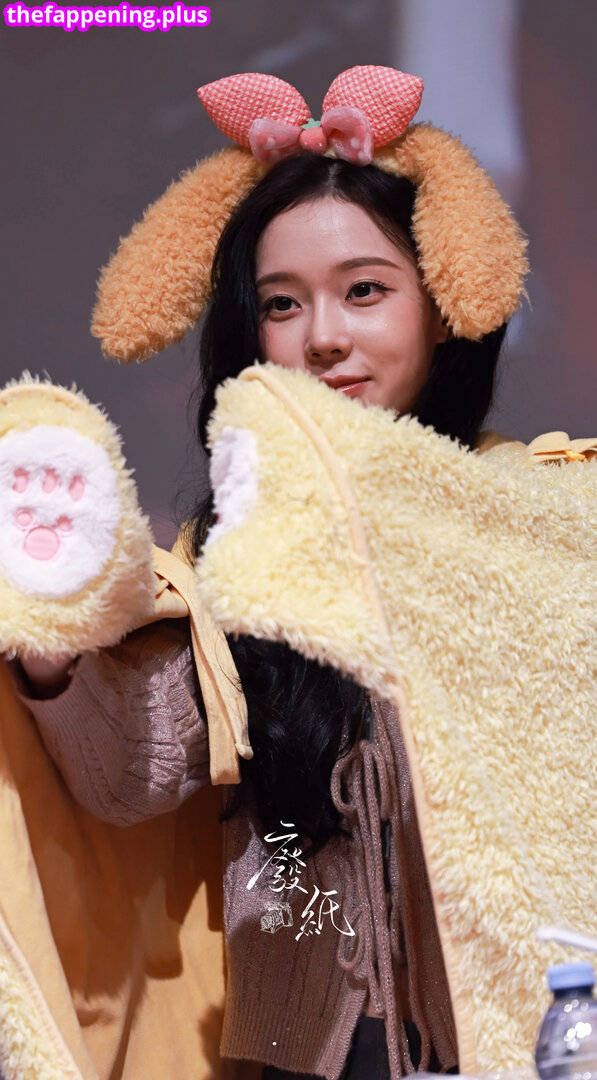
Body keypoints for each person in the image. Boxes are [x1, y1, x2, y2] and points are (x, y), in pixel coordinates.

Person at [9, 68, 530, 1080]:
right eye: (282, 303)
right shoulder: (230, 548)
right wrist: (50, 635)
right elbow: (132, 776)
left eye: (364, 290)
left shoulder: (536, 510)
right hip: (304, 1044)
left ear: (441, 304)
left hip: (523, 1023)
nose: (323, 336)